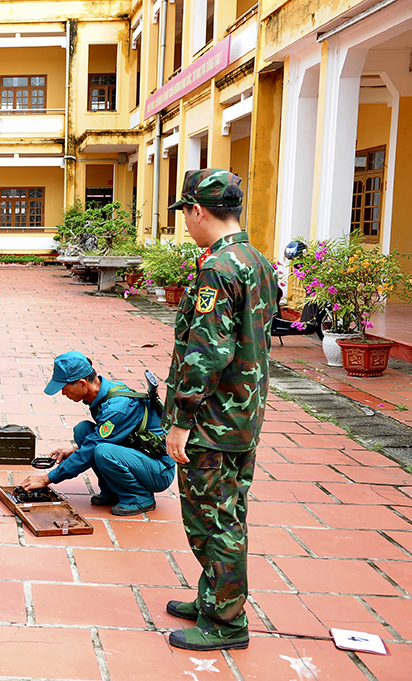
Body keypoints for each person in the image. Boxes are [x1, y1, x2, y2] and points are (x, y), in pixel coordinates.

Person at [162, 169, 276, 652]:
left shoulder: (219, 268)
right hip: (243, 415)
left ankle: (227, 622)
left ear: (197, 211)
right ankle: (214, 598)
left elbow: (207, 352)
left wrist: (180, 421)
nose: (185, 224)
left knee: (215, 519)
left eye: (185, 214)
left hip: (212, 420)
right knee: (228, 511)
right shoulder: (256, 260)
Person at [21, 351, 175, 516]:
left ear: (82, 384)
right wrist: (73, 452)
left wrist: (47, 478)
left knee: (101, 451)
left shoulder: (118, 407)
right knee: (83, 430)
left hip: (158, 470)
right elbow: (112, 436)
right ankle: (112, 491)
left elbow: (93, 447)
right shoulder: (102, 393)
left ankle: (139, 496)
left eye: (64, 389)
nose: (63, 394)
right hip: (139, 454)